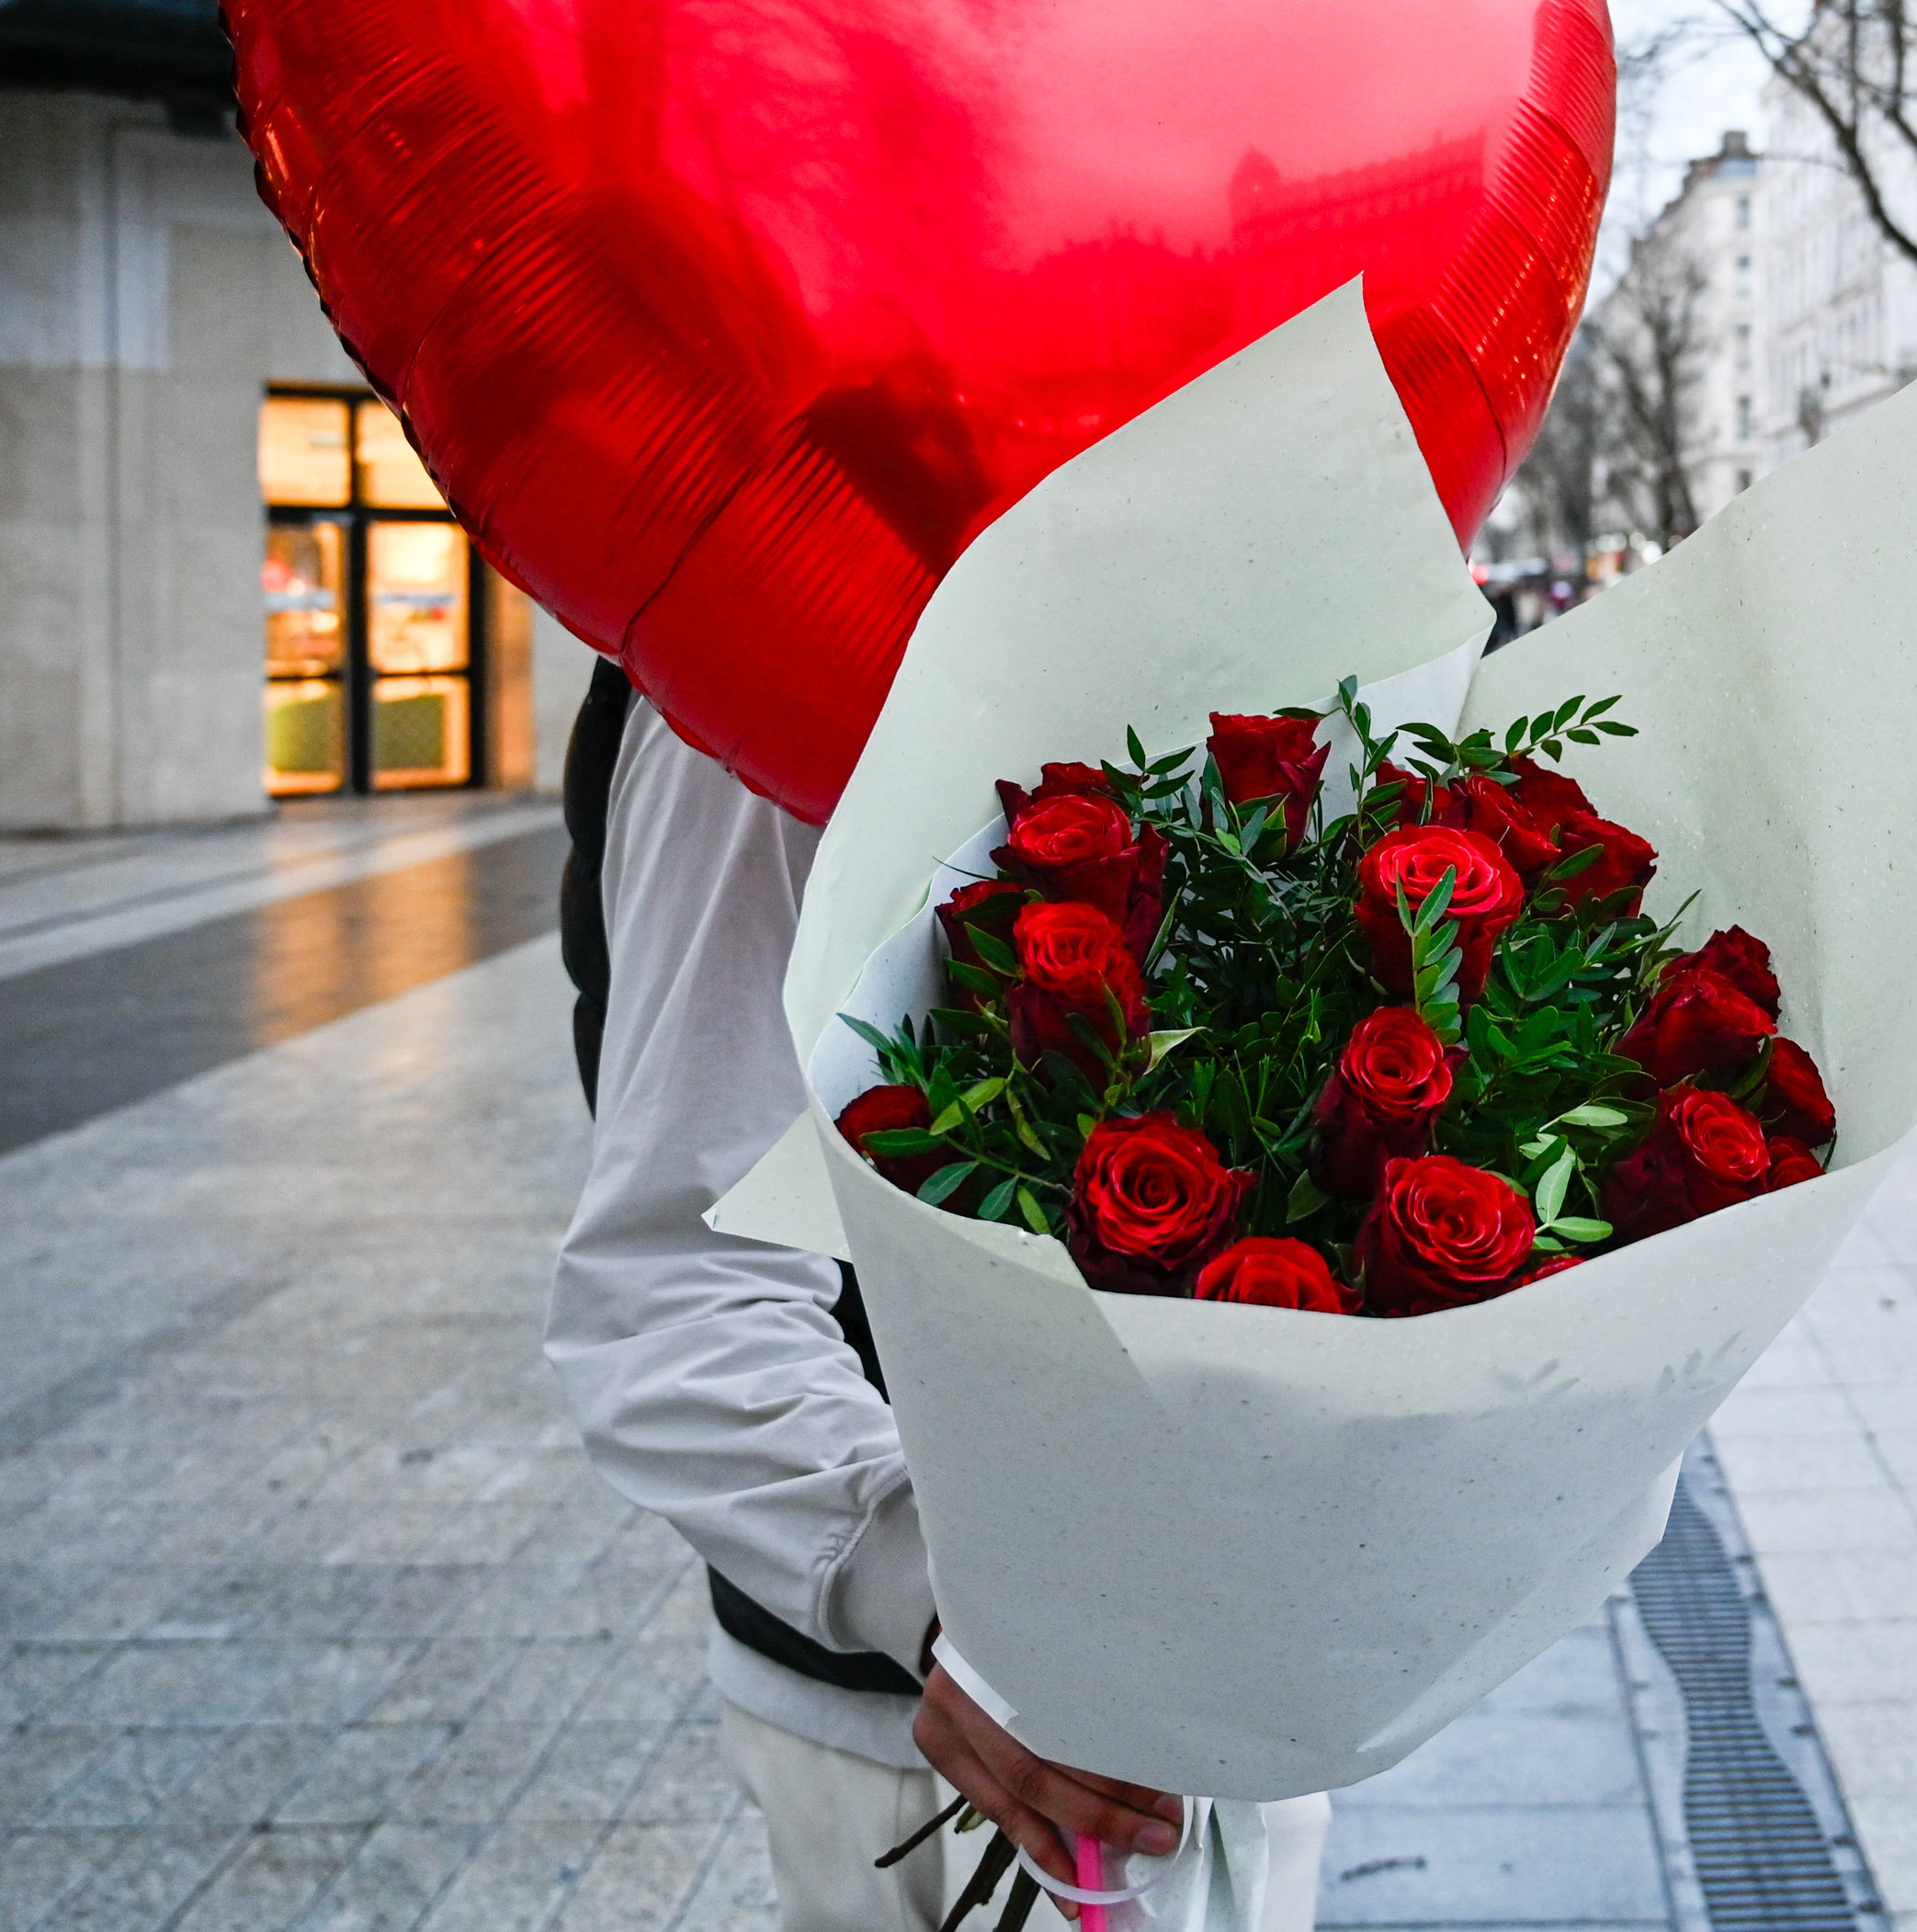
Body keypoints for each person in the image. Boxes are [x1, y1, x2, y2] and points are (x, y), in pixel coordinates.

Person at [547, 665, 1331, 1932]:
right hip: (925, 1740)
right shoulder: (753, 661)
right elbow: (681, 1264)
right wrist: (938, 1597)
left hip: (1225, 1699)